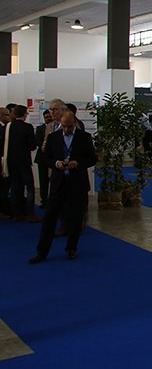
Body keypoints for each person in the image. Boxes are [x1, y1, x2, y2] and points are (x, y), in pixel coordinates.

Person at [28, 110, 97, 263]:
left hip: (77, 184)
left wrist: (78, 163)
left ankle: (71, 248)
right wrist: (55, 163)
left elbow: (92, 158)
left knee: (76, 219)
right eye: (64, 126)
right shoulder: (53, 138)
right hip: (58, 184)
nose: (66, 129)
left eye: (69, 126)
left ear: (75, 123)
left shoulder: (84, 137)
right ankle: (41, 252)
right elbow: (44, 159)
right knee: (49, 219)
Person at [1, 105, 38, 221]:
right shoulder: (27, 127)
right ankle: (30, 214)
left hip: (11, 162)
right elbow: (32, 146)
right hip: (24, 161)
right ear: (25, 114)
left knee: (15, 188)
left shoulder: (8, 126)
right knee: (30, 187)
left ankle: (16, 213)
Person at [34, 109, 53, 207]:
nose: (48, 118)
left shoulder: (56, 127)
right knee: (43, 180)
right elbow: (37, 141)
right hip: (42, 158)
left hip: (53, 158)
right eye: (46, 117)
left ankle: (53, 200)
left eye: (50, 116)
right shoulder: (40, 128)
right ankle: (44, 200)